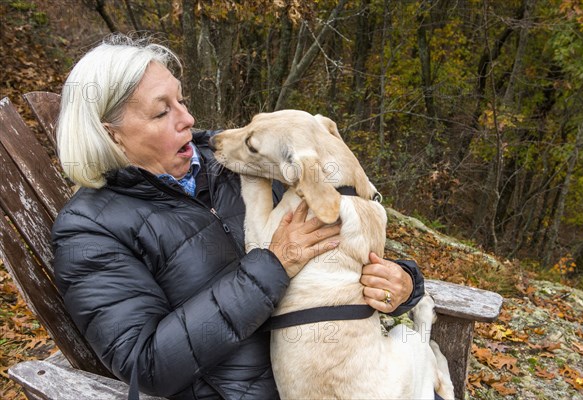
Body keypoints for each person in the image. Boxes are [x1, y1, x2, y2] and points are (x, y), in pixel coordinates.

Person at [52, 34, 425, 400]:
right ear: (110, 135)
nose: (188, 118)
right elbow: (145, 363)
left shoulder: (236, 160)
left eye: (181, 101)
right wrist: (272, 266)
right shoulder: (89, 230)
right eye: (162, 111)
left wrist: (403, 283)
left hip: (359, 374)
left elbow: (336, 241)